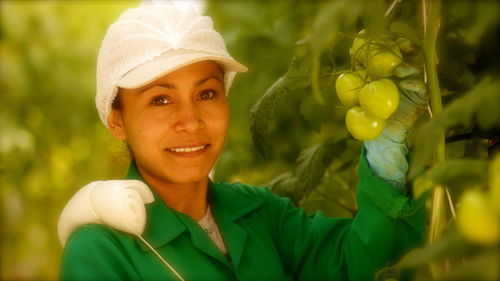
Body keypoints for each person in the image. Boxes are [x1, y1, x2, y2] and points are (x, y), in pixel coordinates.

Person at [58, 1, 428, 280]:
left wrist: (386, 156)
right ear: (117, 121)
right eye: (160, 99)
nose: (190, 121)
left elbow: (364, 266)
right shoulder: (101, 251)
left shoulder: (260, 214)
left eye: (206, 94)